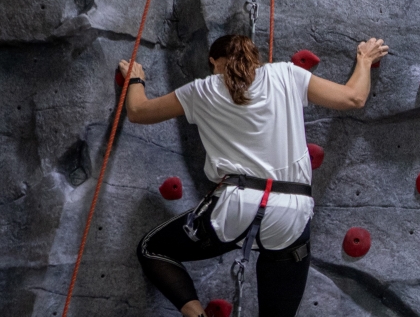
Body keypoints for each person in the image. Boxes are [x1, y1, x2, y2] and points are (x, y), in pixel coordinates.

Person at [122, 34, 388, 317]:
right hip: (291, 215)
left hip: (234, 207)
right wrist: (365, 59)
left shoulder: (201, 90)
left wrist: (136, 79)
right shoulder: (286, 73)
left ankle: (196, 315)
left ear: (214, 61)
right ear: (256, 58)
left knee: (153, 249)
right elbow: (353, 97)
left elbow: (138, 112)